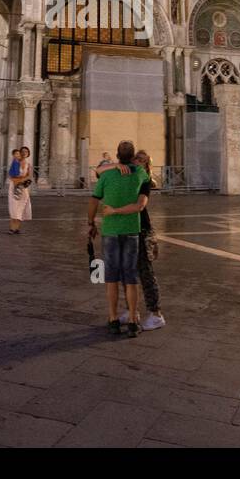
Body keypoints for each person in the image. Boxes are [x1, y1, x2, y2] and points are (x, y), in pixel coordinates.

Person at [98, 149, 165, 331]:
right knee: (128, 273)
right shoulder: (125, 175)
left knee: (145, 272)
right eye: (136, 158)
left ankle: (155, 314)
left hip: (141, 231)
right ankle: (131, 311)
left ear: (146, 166)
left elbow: (140, 206)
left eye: (142, 160)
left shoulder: (144, 181)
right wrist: (117, 165)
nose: (137, 162)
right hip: (125, 230)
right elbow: (99, 170)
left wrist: (114, 211)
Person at [89, 141, 149, 338]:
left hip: (110, 231)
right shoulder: (140, 174)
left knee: (111, 278)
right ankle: (133, 320)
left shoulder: (107, 175)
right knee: (131, 277)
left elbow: (94, 198)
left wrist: (91, 223)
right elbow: (145, 193)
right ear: (132, 156)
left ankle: (113, 318)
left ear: (117, 155)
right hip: (132, 230)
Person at [8, 147, 33, 233]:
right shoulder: (15, 162)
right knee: (13, 206)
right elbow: (11, 175)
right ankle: (12, 228)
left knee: (21, 207)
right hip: (14, 186)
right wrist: (17, 180)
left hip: (22, 187)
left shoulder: (28, 164)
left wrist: (22, 180)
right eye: (23, 151)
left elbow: (29, 176)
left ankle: (17, 228)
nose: (25, 153)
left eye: (26, 151)